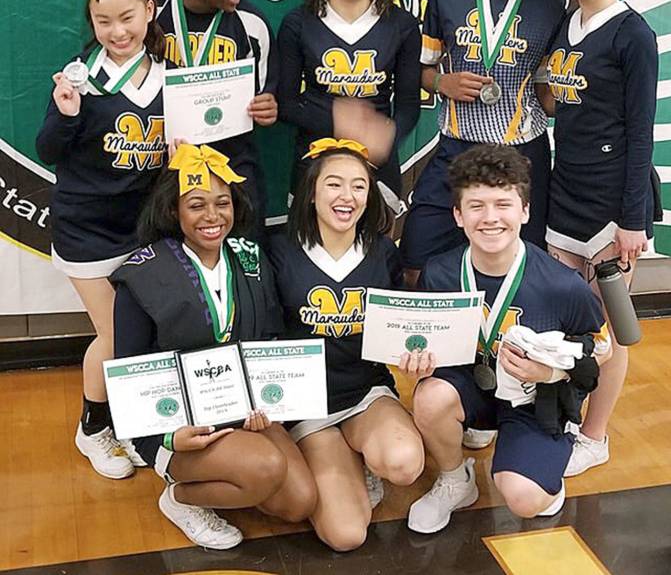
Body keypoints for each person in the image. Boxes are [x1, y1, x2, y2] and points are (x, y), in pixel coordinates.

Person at [111, 144, 317, 549]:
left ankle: (237, 477)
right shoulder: (142, 275)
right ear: (174, 211)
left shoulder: (251, 259)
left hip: (242, 410)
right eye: (196, 205)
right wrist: (170, 437)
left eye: (222, 203)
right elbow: (127, 376)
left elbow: (270, 340)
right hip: (180, 424)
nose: (212, 216)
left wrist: (269, 404)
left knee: (300, 502)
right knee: (267, 466)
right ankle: (181, 498)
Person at [406, 145, 611, 534]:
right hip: (473, 388)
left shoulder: (561, 284)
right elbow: (428, 344)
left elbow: (603, 348)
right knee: (429, 396)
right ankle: (456, 480)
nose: (490, 218)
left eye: (503, 204)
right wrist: (419, 359)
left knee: (524, 499)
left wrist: (552, 372)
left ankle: (542, 470)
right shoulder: (440, 273)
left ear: (525, 211)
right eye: (476, 206)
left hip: (534, 399)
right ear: (458, 215)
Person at [401, 0, 566, 284]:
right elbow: (419, 71)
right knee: (416, 258)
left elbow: (549, 96)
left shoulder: (551, 7)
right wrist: (441, 82)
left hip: (523, 155)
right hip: (456, 149)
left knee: (518, 267)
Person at [36, 0, 167, 479]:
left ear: (150, 11)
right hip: (85, 231)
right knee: (116, 337)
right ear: (91, 22)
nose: (117, 31)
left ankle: (134, 425)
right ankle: (93, 427)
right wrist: (67, 114)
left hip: (144, 229)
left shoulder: (169, 76)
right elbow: (48, 149)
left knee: (147, 333)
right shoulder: (79, 79)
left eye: (127, 17)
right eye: (103, 20)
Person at [268, 139, 425, 551]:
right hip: (307, 406)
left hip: (364, 392)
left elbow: (398, 331)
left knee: (404, 463)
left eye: (359, 186)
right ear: (312, 191)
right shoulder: (279, 250)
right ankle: (338, 457)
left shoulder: (382, 252)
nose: (347, 196)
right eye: (334, 184)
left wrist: (414, 355)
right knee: (346, 536)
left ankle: (361, 452)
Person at [543, 0, 658, 476]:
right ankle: (566, 416)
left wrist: (631, 222)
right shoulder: (568, 24)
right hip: (566, 194)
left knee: (611, 327)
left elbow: (642, 133)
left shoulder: (633, 34)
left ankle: (596, 435)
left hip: (614, 209)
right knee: (568, 322)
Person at [277, 0, 421, 215]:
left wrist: (388, 137)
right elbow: (285, 103)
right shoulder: (298, 23)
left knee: (374, 254)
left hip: (375, 166)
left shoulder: (402, 25)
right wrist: (338, 122)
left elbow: (409, 104)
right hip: (314, 162)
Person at [155, 0, 278, 242]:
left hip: (231, 160)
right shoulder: (150, 12)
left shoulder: (252, 24)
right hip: (161, 160)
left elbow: (266, 96)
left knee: (248, 252)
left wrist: (268, 108)